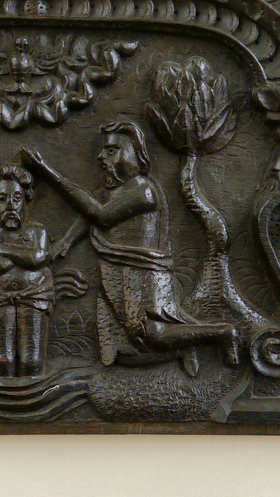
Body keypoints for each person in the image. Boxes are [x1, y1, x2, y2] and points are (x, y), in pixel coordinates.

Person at [20, 121, 238, 375]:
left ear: (136, 154)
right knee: (122, 348)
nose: (101, 157)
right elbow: (90, 213)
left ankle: (222, 332)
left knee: (151, 334)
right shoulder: (110, 190)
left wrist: (47, 173)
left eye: (112, 151)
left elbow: (101, 215)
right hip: (117, 272)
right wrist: (67, 241)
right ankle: (182, 347)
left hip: (143, 273)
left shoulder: (144, 191)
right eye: (103, 150)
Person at [0, 164, 53, 377]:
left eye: (16, 198)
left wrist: (1, 250)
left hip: (34, 296)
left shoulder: (38, 232)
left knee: (32, 362)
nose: (10, 205)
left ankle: (34, 395)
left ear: (26, 200)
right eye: (2, 199)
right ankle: (1, 395)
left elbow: (37, 259)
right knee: (2, 361)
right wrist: (22, 256)